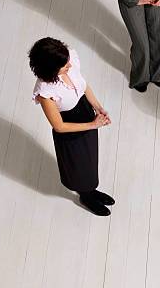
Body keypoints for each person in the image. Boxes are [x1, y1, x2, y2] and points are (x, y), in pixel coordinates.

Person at [29, 37, 115, 216]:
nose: (69, 65)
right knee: (79, 166)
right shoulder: (45, 91)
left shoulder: (70, 60)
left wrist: (98, 108)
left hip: (85, 114)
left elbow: (84, 87)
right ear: (51, 69)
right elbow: (59, 126)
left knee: (90, 159)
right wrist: (92, 124)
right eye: (64, 65)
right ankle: (86, 195)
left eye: (67, 60)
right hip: (71, 129)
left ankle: (91, 190)